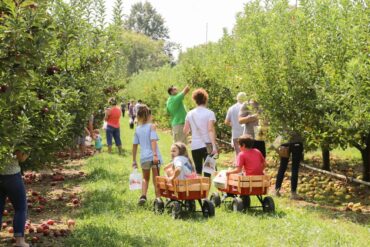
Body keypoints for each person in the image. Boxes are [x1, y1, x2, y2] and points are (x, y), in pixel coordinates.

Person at [132, 105, 162, 205]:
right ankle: (158, 198)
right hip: (154, 157)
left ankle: (143, 195)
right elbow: (153, 140)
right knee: (156, 178)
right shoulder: (151, 126)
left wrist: (134, 160)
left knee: (145, 178)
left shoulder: (137, 129)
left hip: (144, 158)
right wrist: (154, 155)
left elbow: (135, 145)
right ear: (148, 116)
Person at [183, 88, 217, 177]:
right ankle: (206, 191)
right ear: (205, 99)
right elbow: (210, 130)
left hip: (195, 145)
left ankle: (199, 190)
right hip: (208, 146)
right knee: (208, 172)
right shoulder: (210, 113)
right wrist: (214, 146)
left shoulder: (189, 114)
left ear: (195, 100)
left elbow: (185, 131)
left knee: (198, 171)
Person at [0, 150, 30, 247]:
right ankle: (20, 241)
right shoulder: (15, 135)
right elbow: (21, 158)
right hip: (11, 175)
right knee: (20, 208)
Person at [274, 131, 304, 200]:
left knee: (282, 167)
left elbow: (275, 145)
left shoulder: (281, 121)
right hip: (297, 141)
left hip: (284, 140)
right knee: (295, 168)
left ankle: (277, 191)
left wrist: (278, 149)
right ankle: (293, 193)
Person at [225, 92, 246, 158]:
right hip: (246, 134)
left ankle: (239, 166)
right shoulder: (247, 107)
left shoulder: (231, 108)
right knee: (247, 153)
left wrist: (233, 125)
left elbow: (226, 121)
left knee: (238, 154)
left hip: (235, 134)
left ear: (237, 99)